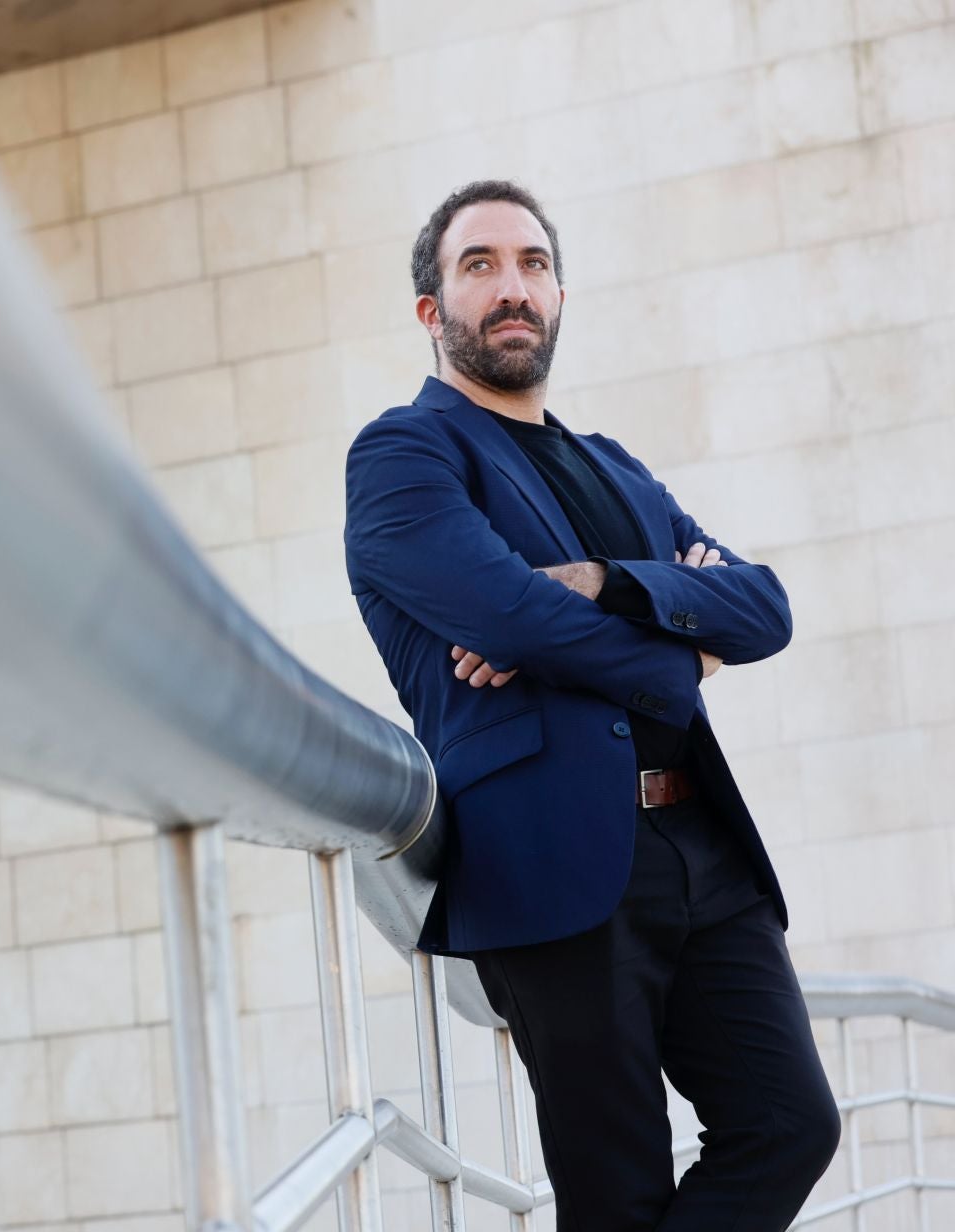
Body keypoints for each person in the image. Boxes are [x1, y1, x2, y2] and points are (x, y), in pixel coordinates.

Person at [342, 180, 841, 1229]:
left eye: (531, 263)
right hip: (551, 863)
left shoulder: (619, 470)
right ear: (433, 310)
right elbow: (513, 617)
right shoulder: (404, 456)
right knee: (615, 1190)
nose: (510, 286)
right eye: (478, 265)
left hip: (704, 846)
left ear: (561, 295)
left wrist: (610, 582)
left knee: (792, 1122)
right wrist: (684, 657)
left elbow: (763, 606)